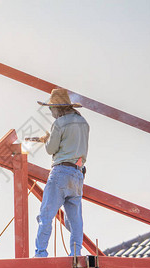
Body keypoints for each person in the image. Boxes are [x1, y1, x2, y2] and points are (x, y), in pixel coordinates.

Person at [33, 88, 89, 258]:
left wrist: (47, 139)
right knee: (75, 219)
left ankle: (40, 254)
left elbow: (51, 149)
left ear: (58, 108)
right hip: (77, 174)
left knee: (46, 215)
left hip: (61, 172)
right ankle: (75, 255)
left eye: (51, 109)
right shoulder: (84, 123)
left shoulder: (59, 123)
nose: (51, 112)